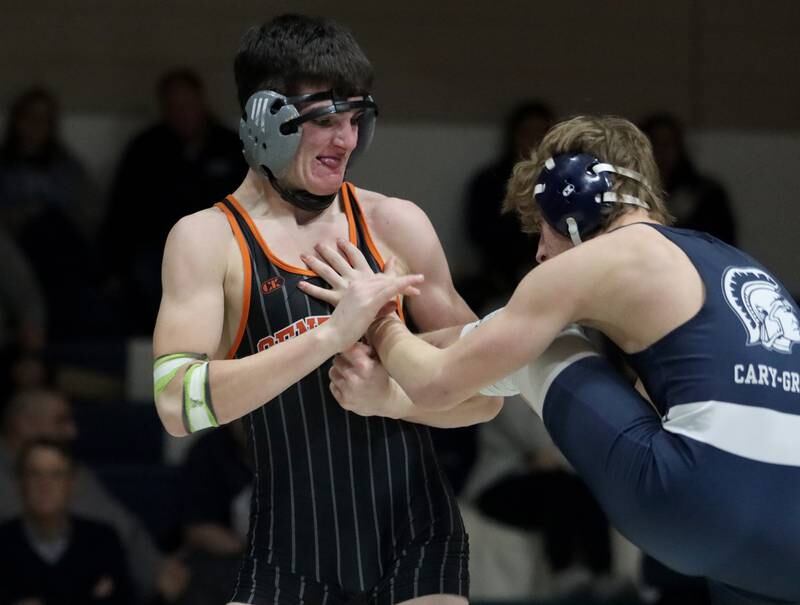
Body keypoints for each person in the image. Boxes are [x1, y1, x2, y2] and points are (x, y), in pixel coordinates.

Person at [303, 115, 800, 605]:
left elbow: (438, 384)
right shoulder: (737, 264)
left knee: (549, 341)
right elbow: (479, 343)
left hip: (698, 502)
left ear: (573, 198)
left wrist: (379, 316)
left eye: (542, 227)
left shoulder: (595, 262)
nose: (540, 252)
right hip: (788, 541)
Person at [152, 14, 501, 605]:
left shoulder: (394, 224)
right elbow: (176, 403)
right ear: (265, 121)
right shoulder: (208, 240)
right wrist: (328, 335)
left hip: (417, 539)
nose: (346, 142)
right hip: (288, 549)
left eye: (354, 120)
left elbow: (489, 393)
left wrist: (389, 398)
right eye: (324, 122)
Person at [102, 68, 247, 335]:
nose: (181, 113)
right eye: (173, 106)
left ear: (201, 102)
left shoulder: (231, 146)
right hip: (158, 252)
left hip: (219, 249)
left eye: (187, 105)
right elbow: (121, 212)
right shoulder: (145, 149)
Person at [0, 387, 179, 602]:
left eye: (56, 475)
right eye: (60, 420)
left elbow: (123, 529)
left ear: (69, 482)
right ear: (24, 424)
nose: (72, 432)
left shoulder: (82, 486)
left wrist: (157, 571)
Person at [0, 438, 133, 605]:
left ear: (71, 483)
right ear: (20, 483)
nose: (45, 485)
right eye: (35, 474)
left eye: (56, 475)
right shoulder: (3, 543)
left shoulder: (103, 540)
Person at [640, 112, 736, 245]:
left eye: (667, 144)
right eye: (655, 144)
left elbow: (722, 244)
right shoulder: (630, 193)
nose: (661, 152)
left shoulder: (706, 194)